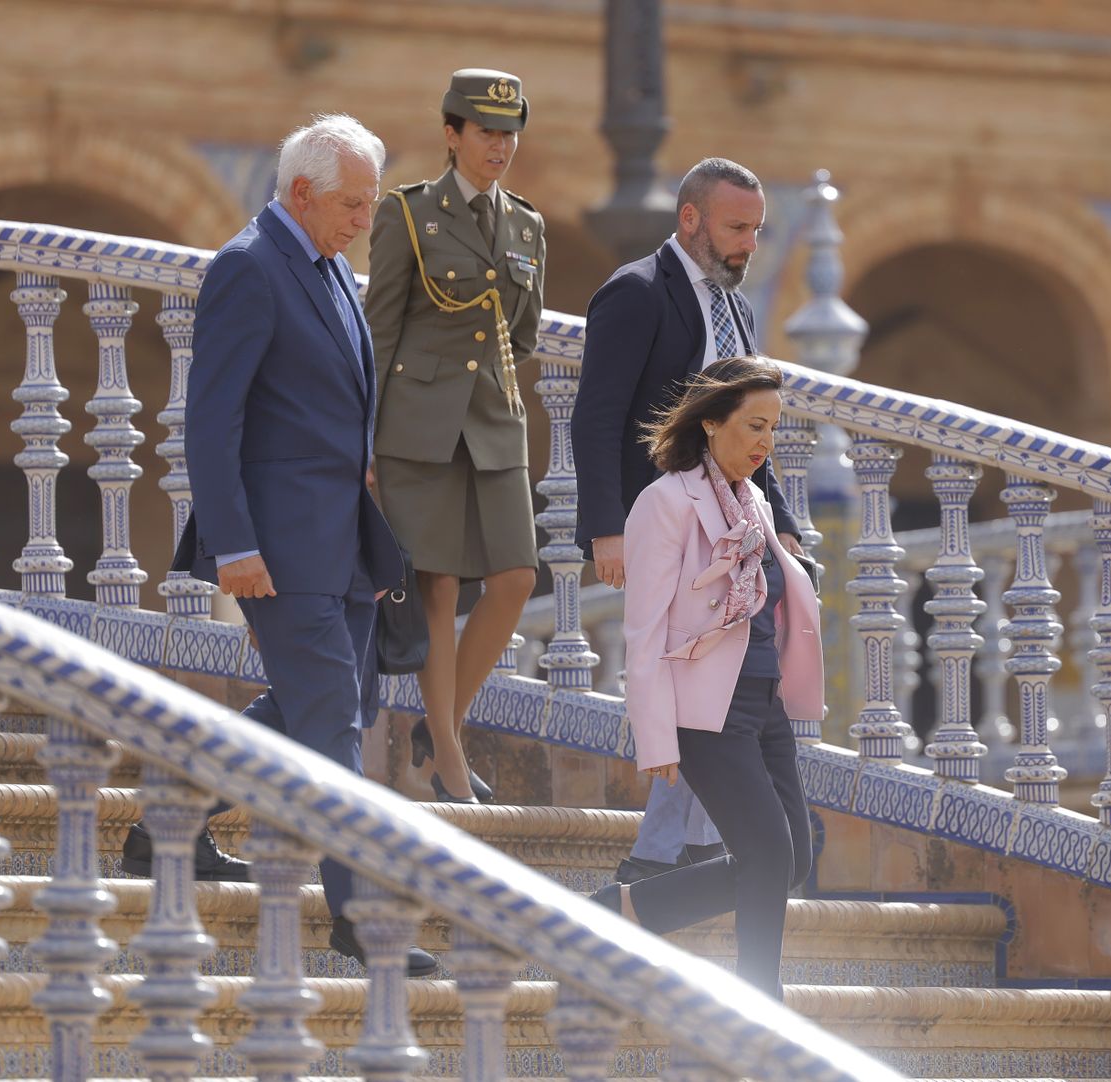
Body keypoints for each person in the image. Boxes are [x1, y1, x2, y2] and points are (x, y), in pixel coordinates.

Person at [158, 113, 435, 977]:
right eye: (353, 203)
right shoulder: (247, 268)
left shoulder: (329, 271)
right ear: (302, 192)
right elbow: (211, 420)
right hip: (276, 551)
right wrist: (232, 542)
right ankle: (361, 918)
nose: (365, 219)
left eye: (373, 203)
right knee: (332, 725)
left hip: (340, 544)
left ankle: (168, 819)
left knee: (316, 710)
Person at [573, 157, 804, 883]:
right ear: (690, 219)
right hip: (663, 524)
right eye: (737, 227)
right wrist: (605, 527)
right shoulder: (636, 293)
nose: (750, 245)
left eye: (758, 230)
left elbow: (743, 430)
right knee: (695, 688)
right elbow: (596, 415)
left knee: (717, 690)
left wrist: (782, 520)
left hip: (730, 532)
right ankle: (665, 854)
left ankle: (669, 853)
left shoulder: (737, 309)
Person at [590, 357, 822, 1001]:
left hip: (763, 704)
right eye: (753, 425)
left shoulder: (753, 501)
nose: (764, 442)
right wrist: (656, 737)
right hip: (704, 712)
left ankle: (624, 911)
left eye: (773, 428)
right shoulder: (664, 503)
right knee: (768, 853)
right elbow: (644, 628)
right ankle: (758, 1002)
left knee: (794, 859)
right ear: (711, 422)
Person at [365, 68, 545, 806]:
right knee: (436, 588)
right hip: (418, 425)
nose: (499, 146)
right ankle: (446, 752)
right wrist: (364, 442)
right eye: (484, 132)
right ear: (451, 134)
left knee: (515, 580)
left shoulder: (528, 225)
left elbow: (523, 335)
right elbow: (380, 330)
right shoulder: (407, 214)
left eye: (508, 134)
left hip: (495, 422)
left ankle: (440, 733)